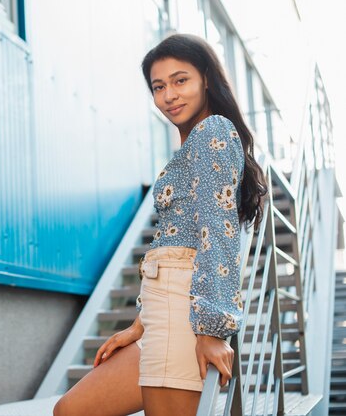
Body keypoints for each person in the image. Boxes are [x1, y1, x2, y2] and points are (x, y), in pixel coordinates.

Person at [53, 33, 268, 416]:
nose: (169, 95)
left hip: (184, 312)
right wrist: (140, 324)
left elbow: (216, 233)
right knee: (71, 410)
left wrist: (211, 330)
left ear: (206, 79)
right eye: (158, 86)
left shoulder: (213, 131)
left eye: (180, 80)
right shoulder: (192, 144)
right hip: (160, 312)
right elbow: (177, 236)